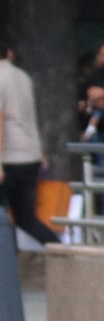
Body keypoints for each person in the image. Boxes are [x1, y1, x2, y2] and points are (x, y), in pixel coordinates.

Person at [0, 39, 57, 247]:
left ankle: (7, 267)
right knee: (26, 219)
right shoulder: (23, 77)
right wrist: (39, 151)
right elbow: (30, 117)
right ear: (9, 53)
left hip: (8, 157)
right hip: (29, 156)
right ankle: (62, 252)